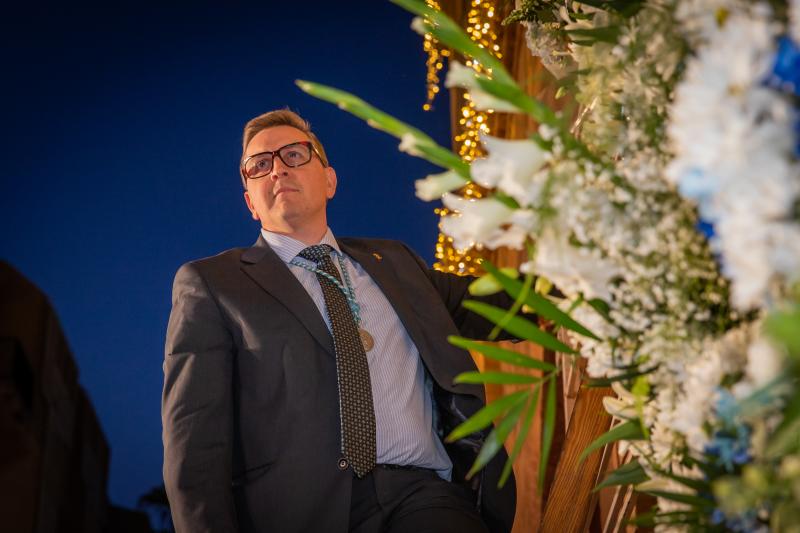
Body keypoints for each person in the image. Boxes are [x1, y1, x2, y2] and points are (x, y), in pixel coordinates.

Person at [162, 109, 517, 533]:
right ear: (250, 202)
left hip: (423, 497)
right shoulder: (213, 285)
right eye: (259, 165)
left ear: (329, 179)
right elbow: (195, 443)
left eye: (293, 154)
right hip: (297, 513)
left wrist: (597, 279)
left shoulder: (398, 264)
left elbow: (498, 305)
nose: (276, 168)